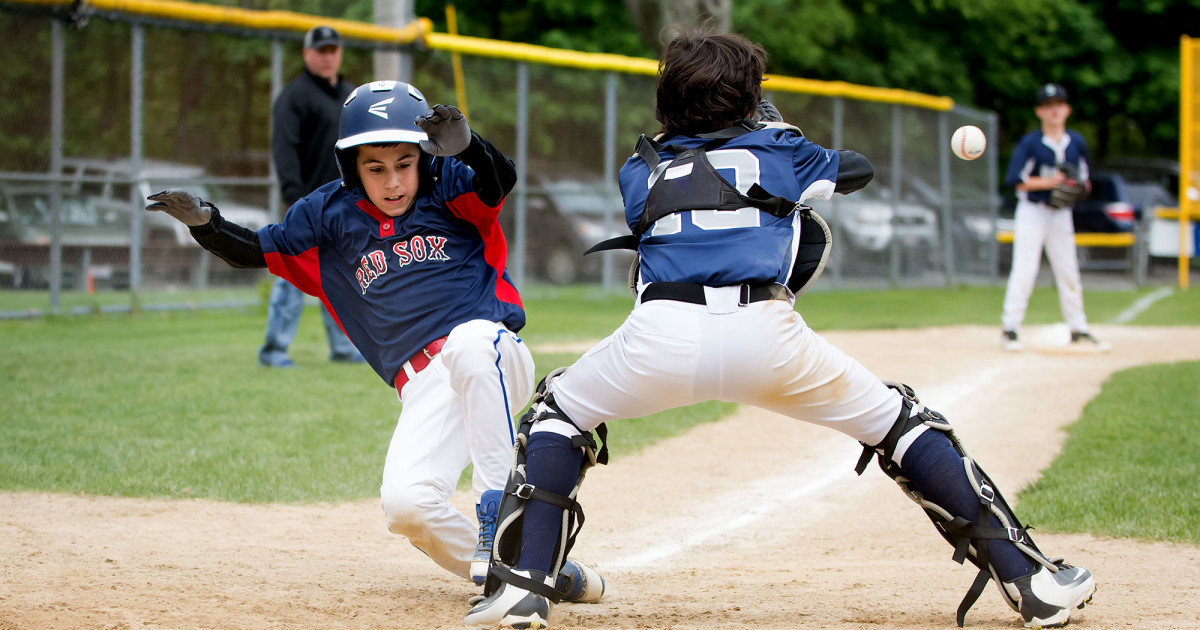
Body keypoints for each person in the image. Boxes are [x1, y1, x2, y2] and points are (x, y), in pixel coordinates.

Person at [466, 32, 1095, 630]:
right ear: (748, 97)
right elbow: (856, 170)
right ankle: (1030, 581)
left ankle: (523, 584)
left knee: (557, 410)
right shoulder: (783, 150)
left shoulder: (641, 167)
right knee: (900, 421)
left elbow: (679, 189)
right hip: (767, 334)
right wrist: (776, 135)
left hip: (659, 336)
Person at [144, 81, 602, 601]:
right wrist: (205, 221)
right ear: (352, 167)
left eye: (404, 164)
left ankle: (496, 512)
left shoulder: (447, 185)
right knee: (407, 507)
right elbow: (258, 248)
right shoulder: (327, 215)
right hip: (424, 385)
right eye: (376, 168)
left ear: (422, 160)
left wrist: (469, 146)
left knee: (471, 345)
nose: (393, 181)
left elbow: (499, 182)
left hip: (490, 353)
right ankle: (531, 568)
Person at [260, 25, 364, 367]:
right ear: (307, 54)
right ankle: (274, 351)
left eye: (333, 49)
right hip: (305, 205)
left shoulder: (350, 95)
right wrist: (293, 198)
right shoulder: (294, 96)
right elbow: (284, 149)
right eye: (321, 50)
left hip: (344, 203)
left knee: (343, 278)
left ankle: (344, 348)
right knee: (291, 277)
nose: (328, 56)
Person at [1000, 83, 1109, 353]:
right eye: (1048, 106)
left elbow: (1086, 180)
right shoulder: (1031, 143)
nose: (1054, 110)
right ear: (1039, 111)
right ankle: (1010, 328)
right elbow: (1016, 181)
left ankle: (1078, 327)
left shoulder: (1076, 142)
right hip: (1032, 213)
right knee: (1025, 270)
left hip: (1061, 214)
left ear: (1067, 109)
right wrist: (1051, 182)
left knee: (1069, 269)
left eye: (1058, 105)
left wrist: (1076, 187)